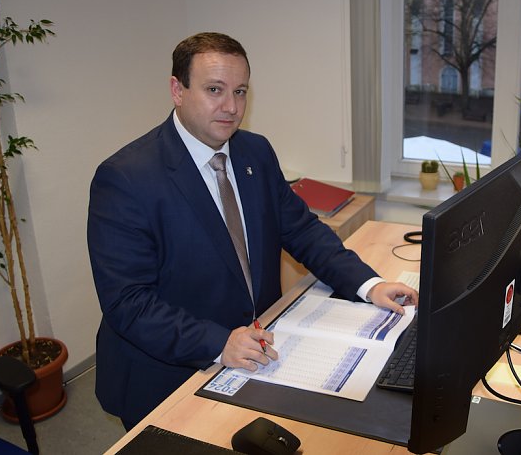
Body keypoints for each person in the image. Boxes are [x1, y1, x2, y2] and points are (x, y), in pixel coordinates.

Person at [87, 32, 418, 430]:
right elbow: (129, 302)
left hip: (257, 351)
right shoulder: (125, 178)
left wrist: (368, 284)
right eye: (214, 90)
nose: (231, 107)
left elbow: (302, 231)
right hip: (167, 370)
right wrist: (217, 343)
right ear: (178, 90)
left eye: (240, 91)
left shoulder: (254, 152)